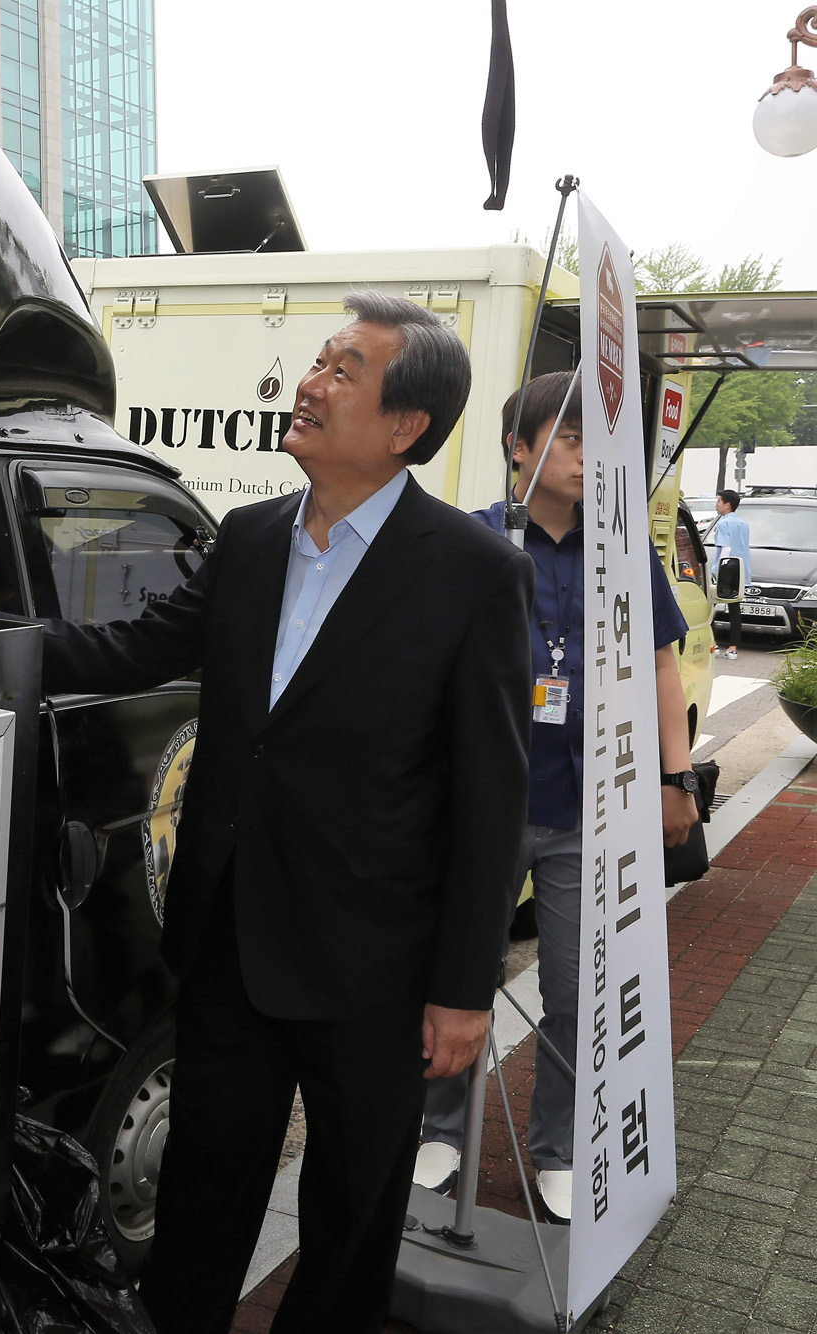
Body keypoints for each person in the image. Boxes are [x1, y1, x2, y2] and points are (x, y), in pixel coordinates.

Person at [0, 291, 535, 1333]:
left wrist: (461, 985)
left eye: (342, 370)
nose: (307, 382)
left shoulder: (471, 572)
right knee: (201, 1197)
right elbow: (130, 647)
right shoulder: (250, 538)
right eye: (317, 361)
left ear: (403, 427)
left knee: (349, 1215)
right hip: (231, 945)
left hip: (374, 965)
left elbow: (491, 790)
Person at [412, 371, 698, 1226]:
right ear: (521, 448)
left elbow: (657, 664)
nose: (586, 454)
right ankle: (441, 1128)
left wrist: (674, 777)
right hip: (475, 812)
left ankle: (560, 1149)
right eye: (568, 437)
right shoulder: (470, 541)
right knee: (457, 972)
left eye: (595, 440)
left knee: (578, 990)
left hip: (584, 811)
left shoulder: (621, 552)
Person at [713, 488, 752, 660]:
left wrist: (717, 570)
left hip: (726, 570)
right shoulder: (743, 524)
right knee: (735, 610)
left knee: (710, 607)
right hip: (741, 571)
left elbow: (726, 548)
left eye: (719, 502)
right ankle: (733, 648)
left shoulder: (723, 524)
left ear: (727, 505)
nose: (717, 505)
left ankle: (713, 645)